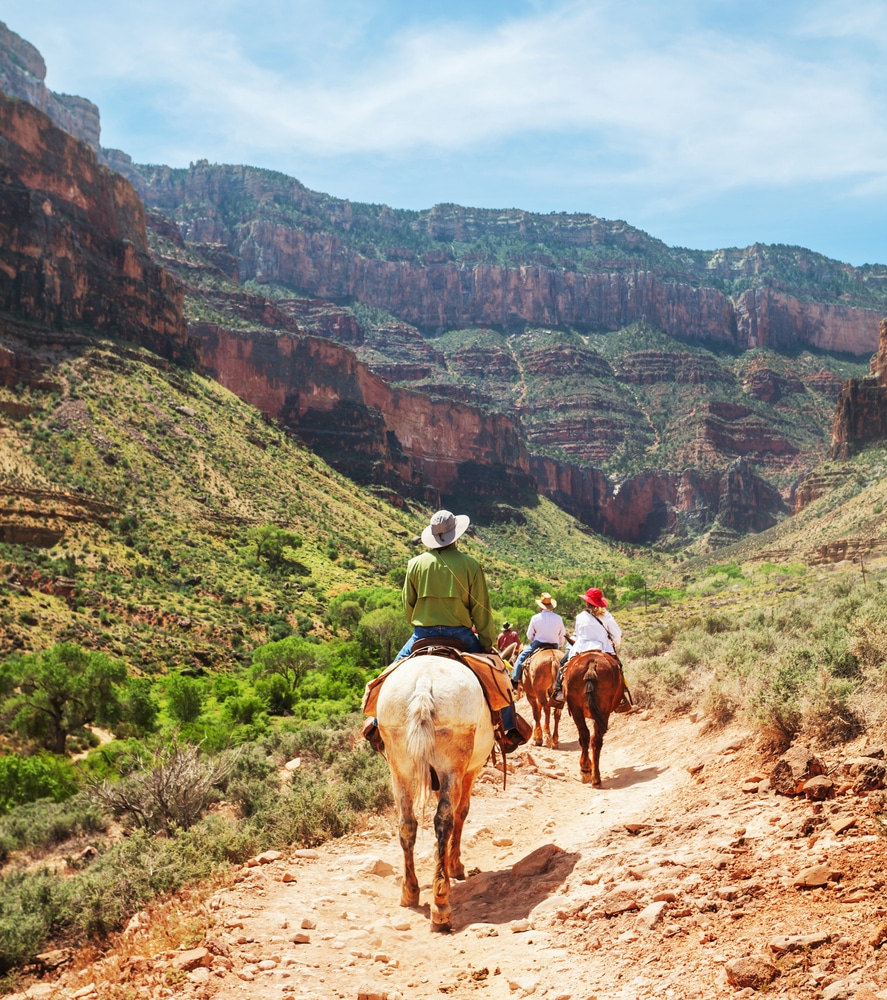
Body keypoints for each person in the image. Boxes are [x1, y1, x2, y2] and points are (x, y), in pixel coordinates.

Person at [364, 509, 522, 747]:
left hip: (422, 635)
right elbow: (482, 609)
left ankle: (376, 723)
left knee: (389, 674)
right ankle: (508, 730)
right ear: (456, 535)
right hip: (460, 636)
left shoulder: (415, 564)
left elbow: (408, 608)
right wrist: (487, 643)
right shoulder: (471, 565)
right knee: (499, 675)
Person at [550, 587, 622, 707]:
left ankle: (558, 691)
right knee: (619, 667)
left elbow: (578, 635)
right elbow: (617, 634)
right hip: (603, 648)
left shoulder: (580, 617)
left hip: (581, 649)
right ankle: (622, 696)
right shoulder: (607, 616)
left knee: (563, 663)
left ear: (587, 602)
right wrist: (615, 643)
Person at [510, 592, 566, 689]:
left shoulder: (535, 618)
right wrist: (560, 645)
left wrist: (534, 638)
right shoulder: (558, 618)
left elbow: (529, 635)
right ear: (551, 606)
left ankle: (515, 678)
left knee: (521, 657)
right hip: (554, 645)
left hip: (538, 644)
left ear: (540, 606)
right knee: (566, 662)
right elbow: (562, 635)